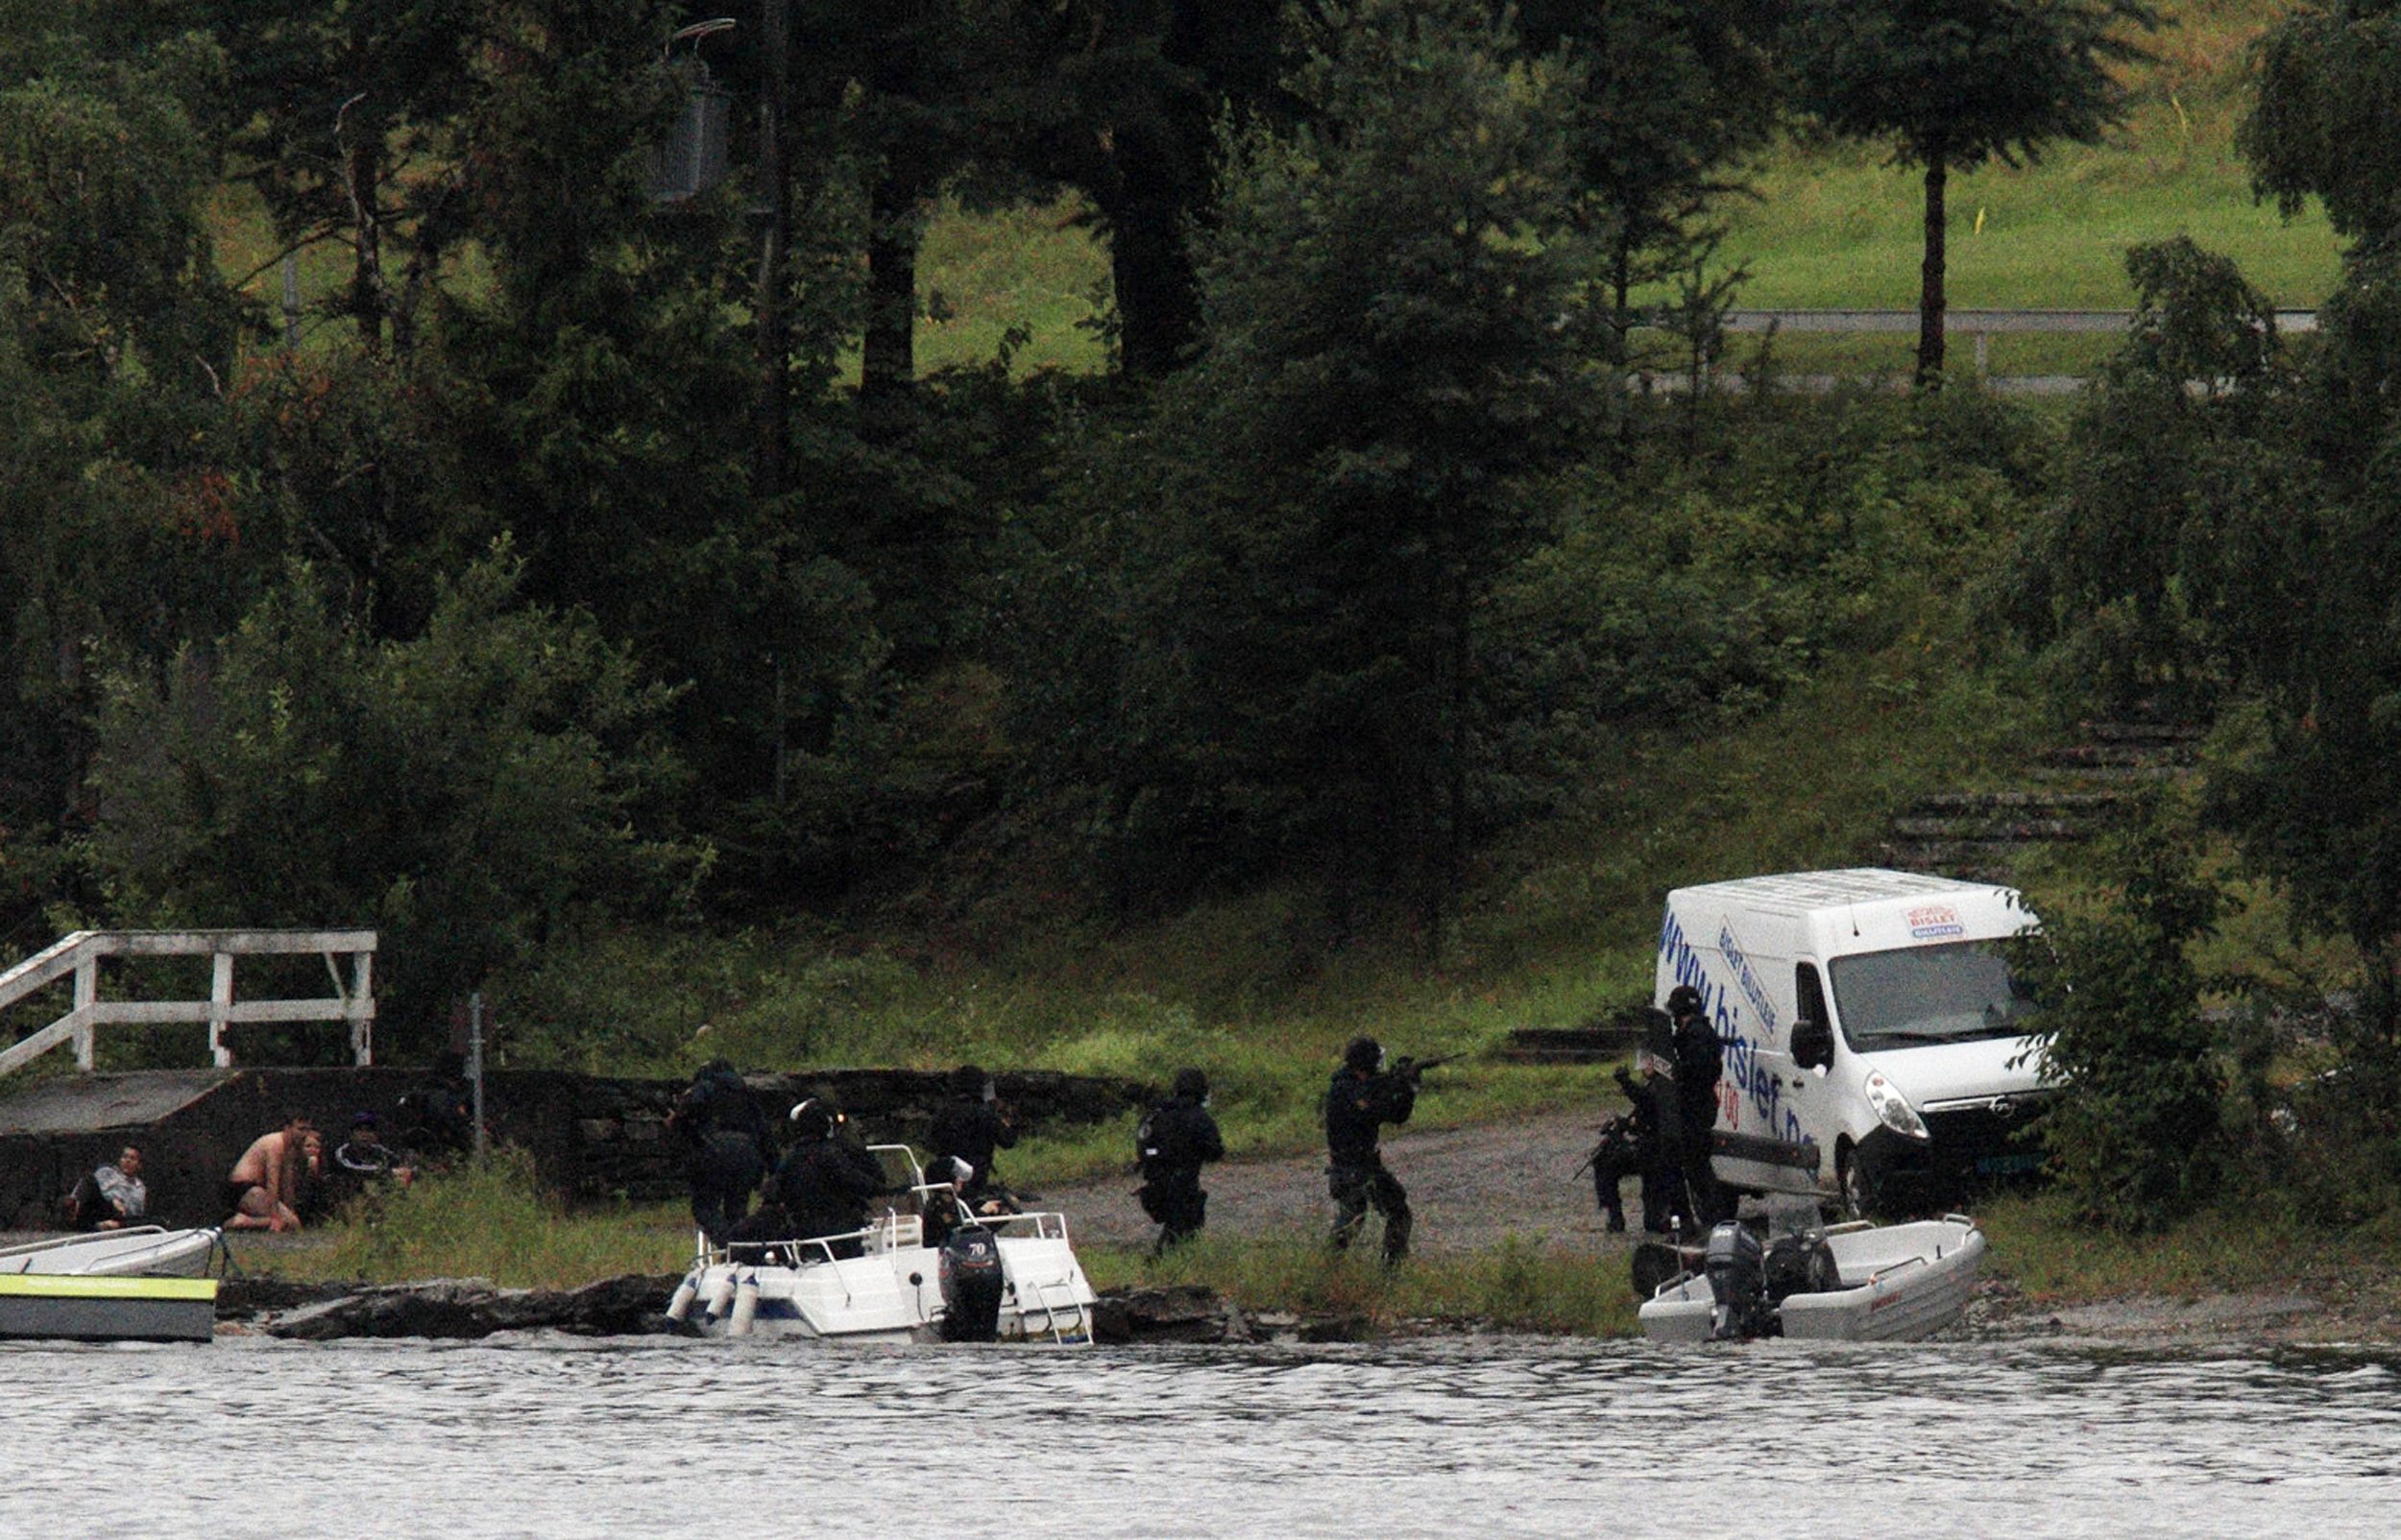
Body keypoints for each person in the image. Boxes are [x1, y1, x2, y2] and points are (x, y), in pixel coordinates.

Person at [1324, 1036, 1417, 1264]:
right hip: (1349, 1167)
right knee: (1351, 1220)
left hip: (1368, 1165)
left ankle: (1392, 1270)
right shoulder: (1344, 1089)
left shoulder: (1361, 1087)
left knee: (1398, 1212)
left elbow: (1397, 1115)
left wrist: (1408, 1089)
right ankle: (1327, 1268)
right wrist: (1392, 1086)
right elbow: (1370, 1112)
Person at [667, 1059, 775, 1245]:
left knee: (705, 1208)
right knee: (737, 1210)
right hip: (749, 1153)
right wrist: (775, 1170)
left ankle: (730, 1244)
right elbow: (765, 1134)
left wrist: (676, 1120)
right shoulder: (746, 1094)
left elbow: (689, 1113)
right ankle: (743, 1250)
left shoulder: (704, 1087)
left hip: (715, 1150)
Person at [765, 1098, 890, 1259]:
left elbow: (774, 1191)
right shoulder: (835, 1152)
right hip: (839, 1226)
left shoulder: (796, 1158)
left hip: (810, 1228)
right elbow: (859, 1179)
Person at [1135, 1068, 1225, 1255]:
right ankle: (1166, 1267)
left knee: (1175, 1230)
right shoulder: (1197, 1116)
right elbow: (1215, 1151)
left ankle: (1164, 1262)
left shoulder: (1158, 1112)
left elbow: (1141, 1145)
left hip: (1154, 1185)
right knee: (1184, 1231)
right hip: (1183, 1185)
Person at [1666, 983, 1729, 1232]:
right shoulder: (1696, 1034)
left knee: (1698, 1168)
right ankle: (1710, 1218)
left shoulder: (1696, 1036)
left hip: (1695, 1107)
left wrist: (1677, 1071)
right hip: (1697, 1106)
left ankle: (1715, 1220)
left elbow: (1699, 1071)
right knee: (1695, 1166)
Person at [927, 1065, 1018, 1215]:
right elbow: (1008, 1140)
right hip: (977, 1176)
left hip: (948, 1173)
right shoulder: (984, 1113)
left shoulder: (944, 1112)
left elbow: (930, 1141)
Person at [226, 1111, 315, 1233]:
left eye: (307, 1130)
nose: (304, 1134)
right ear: (288, 1128)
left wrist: (291, 1209)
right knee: (288, 1223)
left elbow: (287, 1183)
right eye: (300, 1129)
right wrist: (275, 1217)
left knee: (293, 1223)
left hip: (258, 1190)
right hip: (244, 1188)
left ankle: (260, 1221)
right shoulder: (275, 1144)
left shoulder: (290, 1149)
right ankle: (241, 1221)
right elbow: (272, 1182)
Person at [67, 1146, 148, 1231]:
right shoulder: (106, 1172)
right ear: (120, 1160)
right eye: (125, 1157)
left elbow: (134, 1212)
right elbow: (87, 1186)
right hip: (98, 1205)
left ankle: (93, 1225)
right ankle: (74, 1213)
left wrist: (118, 1201)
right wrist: (112, 1200)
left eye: (132, 1158)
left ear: (139, 1165)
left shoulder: (139, 1187)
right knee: (89, 1180)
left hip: (116, 1213)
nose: (127, 1161)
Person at [332, 1112, 417, 1191]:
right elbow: (355, 1171)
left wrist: (408, 1170)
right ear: (351, 1134)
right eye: (359, 1130)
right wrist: (390, 1172)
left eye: (368, 1130)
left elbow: (399, 1163)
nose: (364, 1135)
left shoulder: (379, 1151)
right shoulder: (342, 1153)